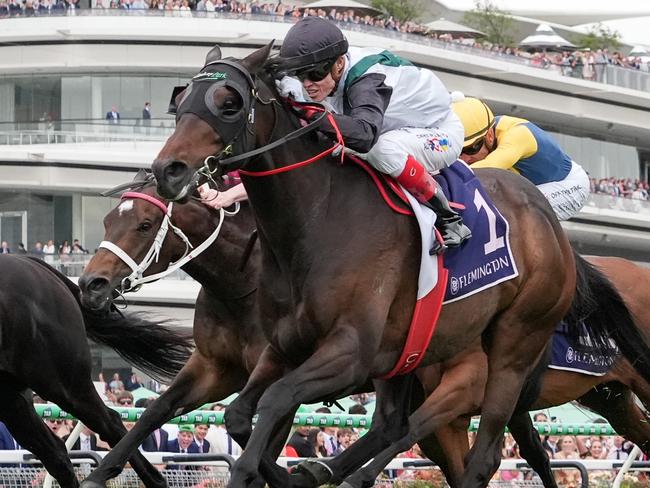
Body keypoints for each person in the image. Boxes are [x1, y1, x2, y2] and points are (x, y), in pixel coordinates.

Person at [201, 16, 470, 250]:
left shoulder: (368, 80)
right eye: (300, 74)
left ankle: (448, 217)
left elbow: (364, 136)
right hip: (388, 126)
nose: (308, 85)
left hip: (438, 132)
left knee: (382, 149)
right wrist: (228, 195)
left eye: (314, 75)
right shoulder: (319, 71)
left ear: (340, 64)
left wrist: (312, 114)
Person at [452, 97, 590, 221]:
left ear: (489, 136)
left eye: (470, 149)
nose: (464, 158)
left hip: (569, 185)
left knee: (516, 211)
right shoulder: (485, 128)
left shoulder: (518, 135)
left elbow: (489, 167)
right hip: (534, 184)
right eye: (459, 152)